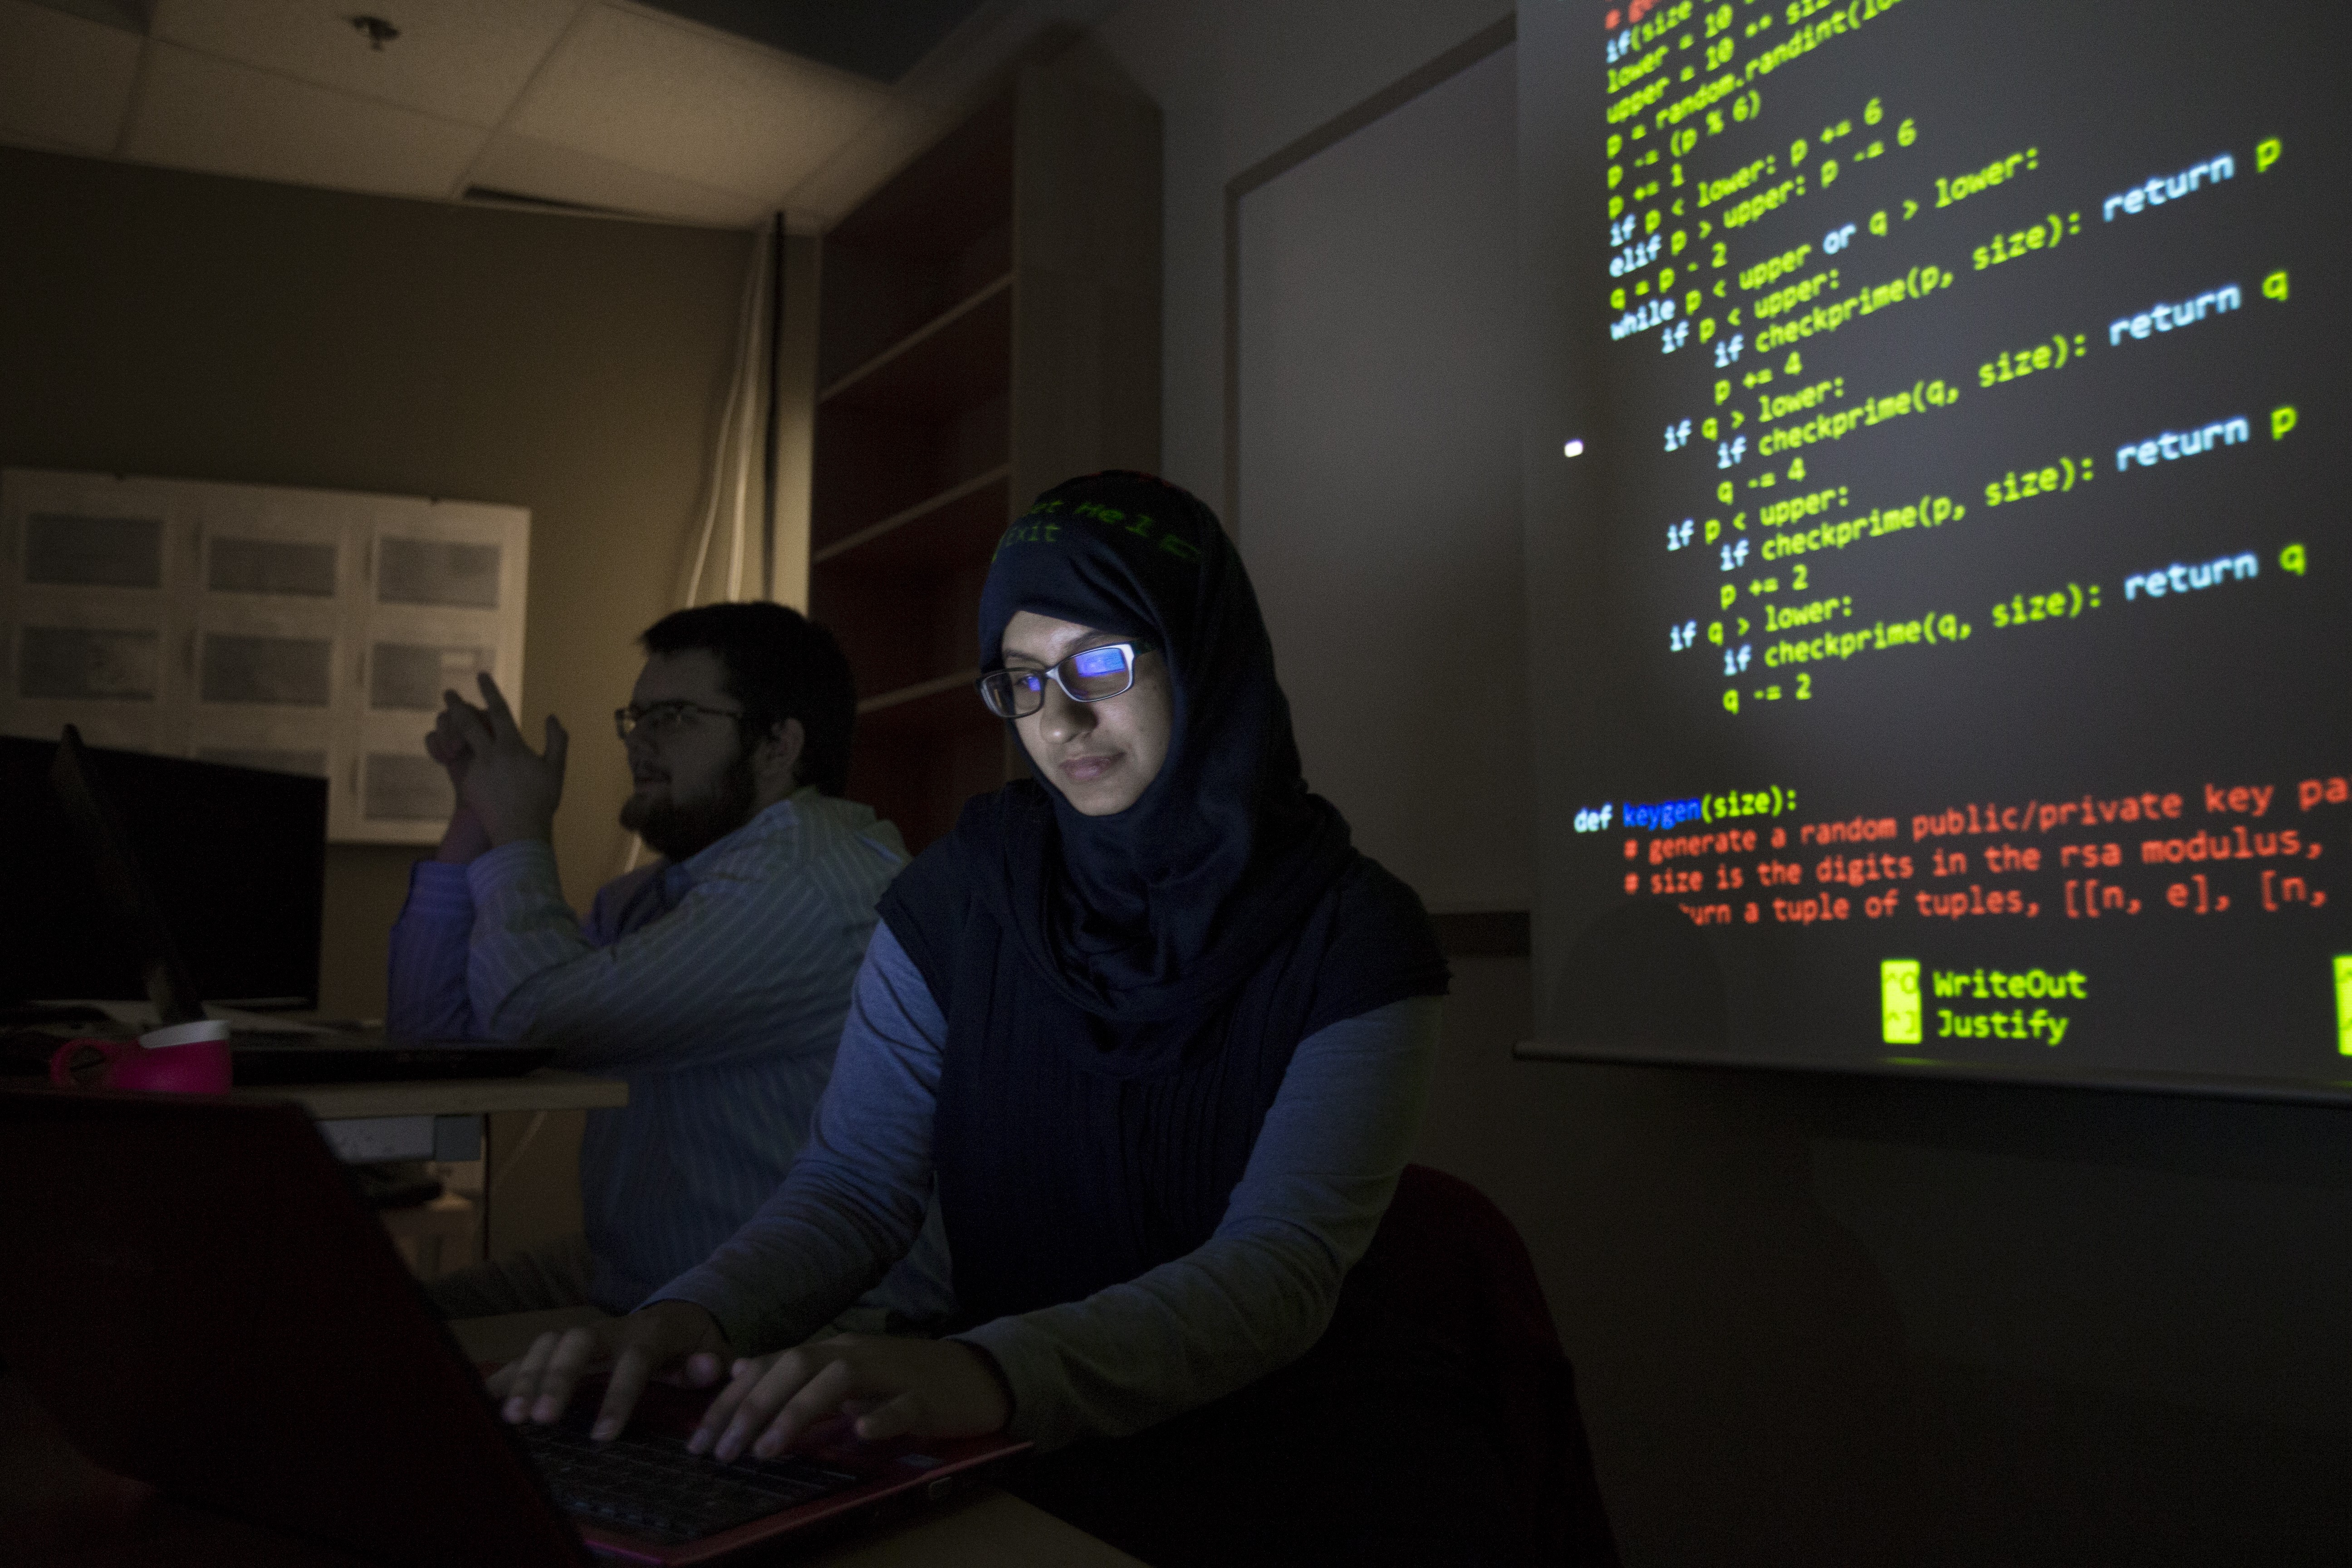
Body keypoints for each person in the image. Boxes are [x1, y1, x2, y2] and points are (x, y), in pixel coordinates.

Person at [490, 475, 1550, 1565]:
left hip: (1302, 1469)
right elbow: (854, 1190)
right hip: (1028, 1447)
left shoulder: (1356, 935)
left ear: (1197, 651)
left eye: (1100, 663)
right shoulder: (958, 900)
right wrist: (689, 1319)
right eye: (1022, 679)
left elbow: (1277, 1271)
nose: (1062, 720)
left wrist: (986, 1372)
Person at [386, 601, 948, 1327]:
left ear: (778, 743)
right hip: (644, 1275)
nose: (638, 744)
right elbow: (433, 1041)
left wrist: (522, 828)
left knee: (398, 1370)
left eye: (675, 716)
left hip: (815, 1326)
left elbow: (534, 1015)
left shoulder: (812, 882)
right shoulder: (660, 895)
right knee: (385, 1324)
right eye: (637, 717)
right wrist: (477, 811)